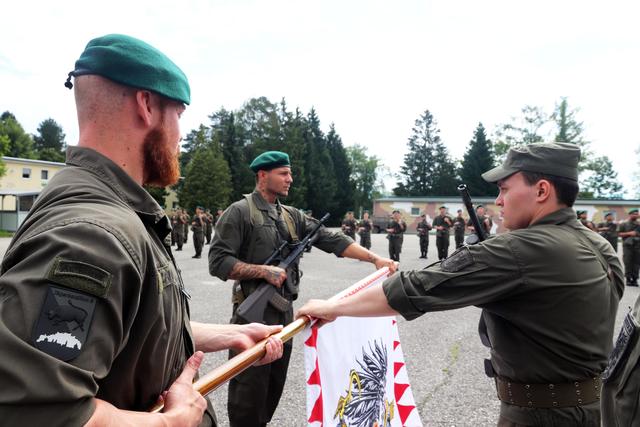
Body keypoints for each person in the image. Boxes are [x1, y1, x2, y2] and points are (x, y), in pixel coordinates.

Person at [0, 34, 285, 427]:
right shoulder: (93, 235)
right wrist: (171, 423)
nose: (181, 135)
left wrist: (229, 334)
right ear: (147, 105)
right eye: (180, 115)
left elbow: (131, 326)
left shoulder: (109, 210)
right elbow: (38, 412)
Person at [298, 142, 624, 427]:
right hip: (594, 408)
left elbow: (417, 287)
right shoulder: (599, 245)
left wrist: (333, 308)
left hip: (539, 414)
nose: (498, 201)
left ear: (541, 191)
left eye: (506, 189)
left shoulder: (518, 249)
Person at [208, 151, 396, 427]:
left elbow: (331, 239)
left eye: (290, 173)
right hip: (252, 314)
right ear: (263, 175)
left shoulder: (290, 215)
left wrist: (374, 258)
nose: (290, 179)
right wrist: (263, 271)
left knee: (274, 384)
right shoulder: (241, 212)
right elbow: (218, 261)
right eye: (283, 173)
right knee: (249, 389)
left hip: (284, 314)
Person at [618, 208, 640, 286]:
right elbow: (619, 234)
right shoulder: (624, 224)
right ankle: (628, 278)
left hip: (637, 245)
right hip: (627, 246)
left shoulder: (639, 225)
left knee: (637, 262)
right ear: (630, 214)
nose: (636, 215)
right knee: (628, 261)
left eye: (637, 214)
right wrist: (629, 233)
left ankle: (635, 279)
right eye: (634, 214)